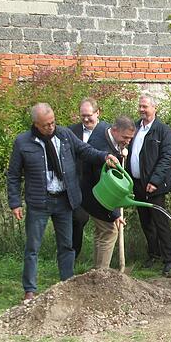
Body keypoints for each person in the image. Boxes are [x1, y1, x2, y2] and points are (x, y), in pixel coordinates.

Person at [7, 103, 119, 301]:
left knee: (67, 245)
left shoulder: (64, 135)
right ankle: (30, 290)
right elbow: (14, 175)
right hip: (39, 202)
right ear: (36, 124)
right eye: (46, 125)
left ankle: (67, 284)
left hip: (64, 200)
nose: (51, 127)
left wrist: (104, 157)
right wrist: (15, 202)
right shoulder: (23, 142)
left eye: (53, 122)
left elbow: (85, 150)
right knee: (33, 247)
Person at [126, 93, 171, 276]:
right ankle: (153, 254)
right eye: (140, 106)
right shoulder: (134, 128)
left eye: (145, 107)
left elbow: (166, 158)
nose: (142, 110)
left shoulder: (163, 130)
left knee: (160, 222)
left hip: (155, 185)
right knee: (145, 221)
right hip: (137, 183)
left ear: (154, 108)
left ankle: (169, 260)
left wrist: (155, 181)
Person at [80, 115, 136, 270]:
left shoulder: (104, 128)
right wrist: (116, 214)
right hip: (96, 195)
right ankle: (102, 273)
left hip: (92, 192)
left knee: (101, 232)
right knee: (110, 231)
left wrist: (121, 150)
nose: (128, 142)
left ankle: (97, 270)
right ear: (115, 130)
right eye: (125, 137)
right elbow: (110, 189)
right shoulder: (101, 148)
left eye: (131, 139)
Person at [68, 98, 109, 259]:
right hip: (79, 186)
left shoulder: (108, 131)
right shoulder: (72, 132)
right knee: (78, 219)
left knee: (106, 226)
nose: (85, 119)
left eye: (89, 115)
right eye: (82, 115)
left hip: (102, 186)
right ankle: (73, 256)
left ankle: (101, 264)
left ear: (97, 113)